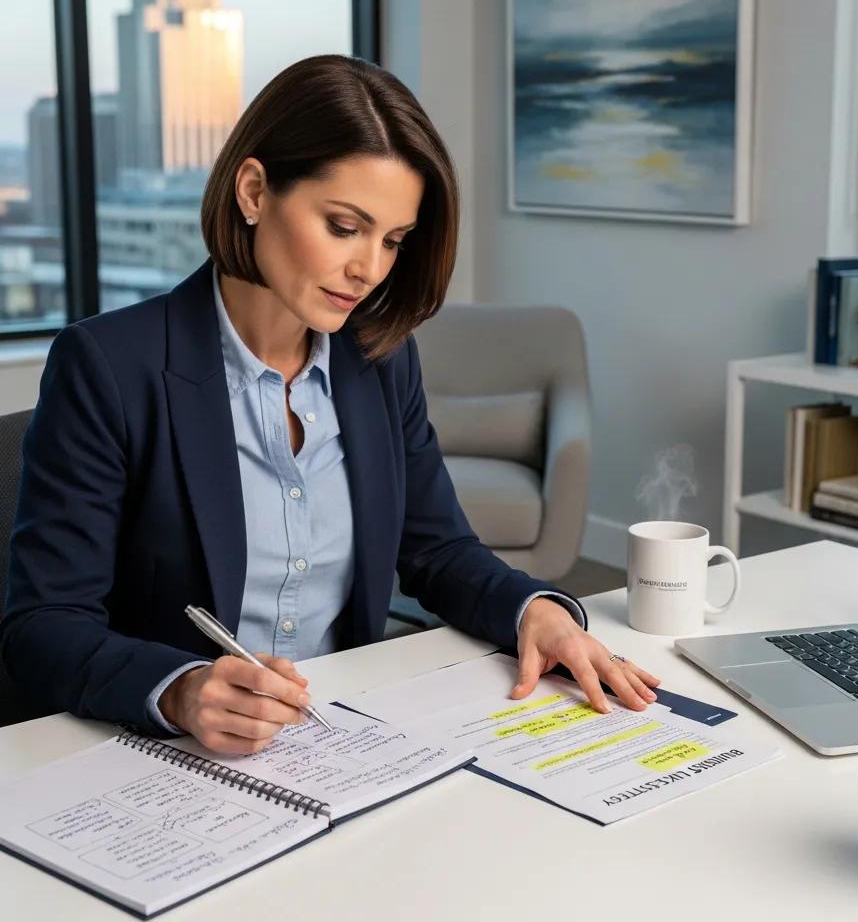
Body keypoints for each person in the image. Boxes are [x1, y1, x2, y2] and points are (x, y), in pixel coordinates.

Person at [1, 55, 660, 754]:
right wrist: (182, 688)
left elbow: (437, 548)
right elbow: (43, 624)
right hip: (170, 755)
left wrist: (538, 612)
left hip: (339, 741)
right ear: (254, 192)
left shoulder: (378, 360)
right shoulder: (109, 365)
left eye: (393, 241)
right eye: (344, 226)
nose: (369, 269)